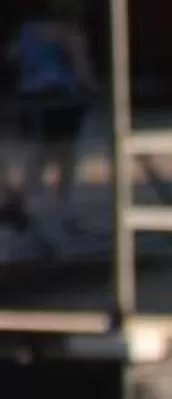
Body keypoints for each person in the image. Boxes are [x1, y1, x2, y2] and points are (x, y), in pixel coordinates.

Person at [7, 0, 96, 247]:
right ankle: (62, 208)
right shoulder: (70, 33)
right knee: (66, 154)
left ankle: (23, 203)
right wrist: (92, 90)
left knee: (39, 152)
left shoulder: (27, 32)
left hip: (32, 98)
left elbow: (13, 56)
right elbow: (83, 69)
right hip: (62, 97)